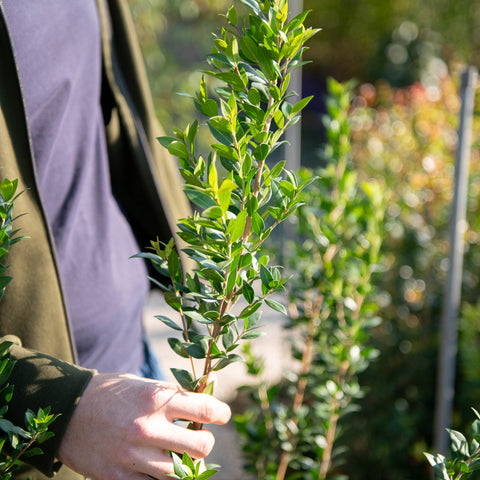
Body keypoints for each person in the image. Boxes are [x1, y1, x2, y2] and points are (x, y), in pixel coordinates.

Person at [0, 1, 231, 479]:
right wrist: (52, 403)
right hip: (37, 445)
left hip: (134, 367)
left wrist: (200, 263)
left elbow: (102, 109)